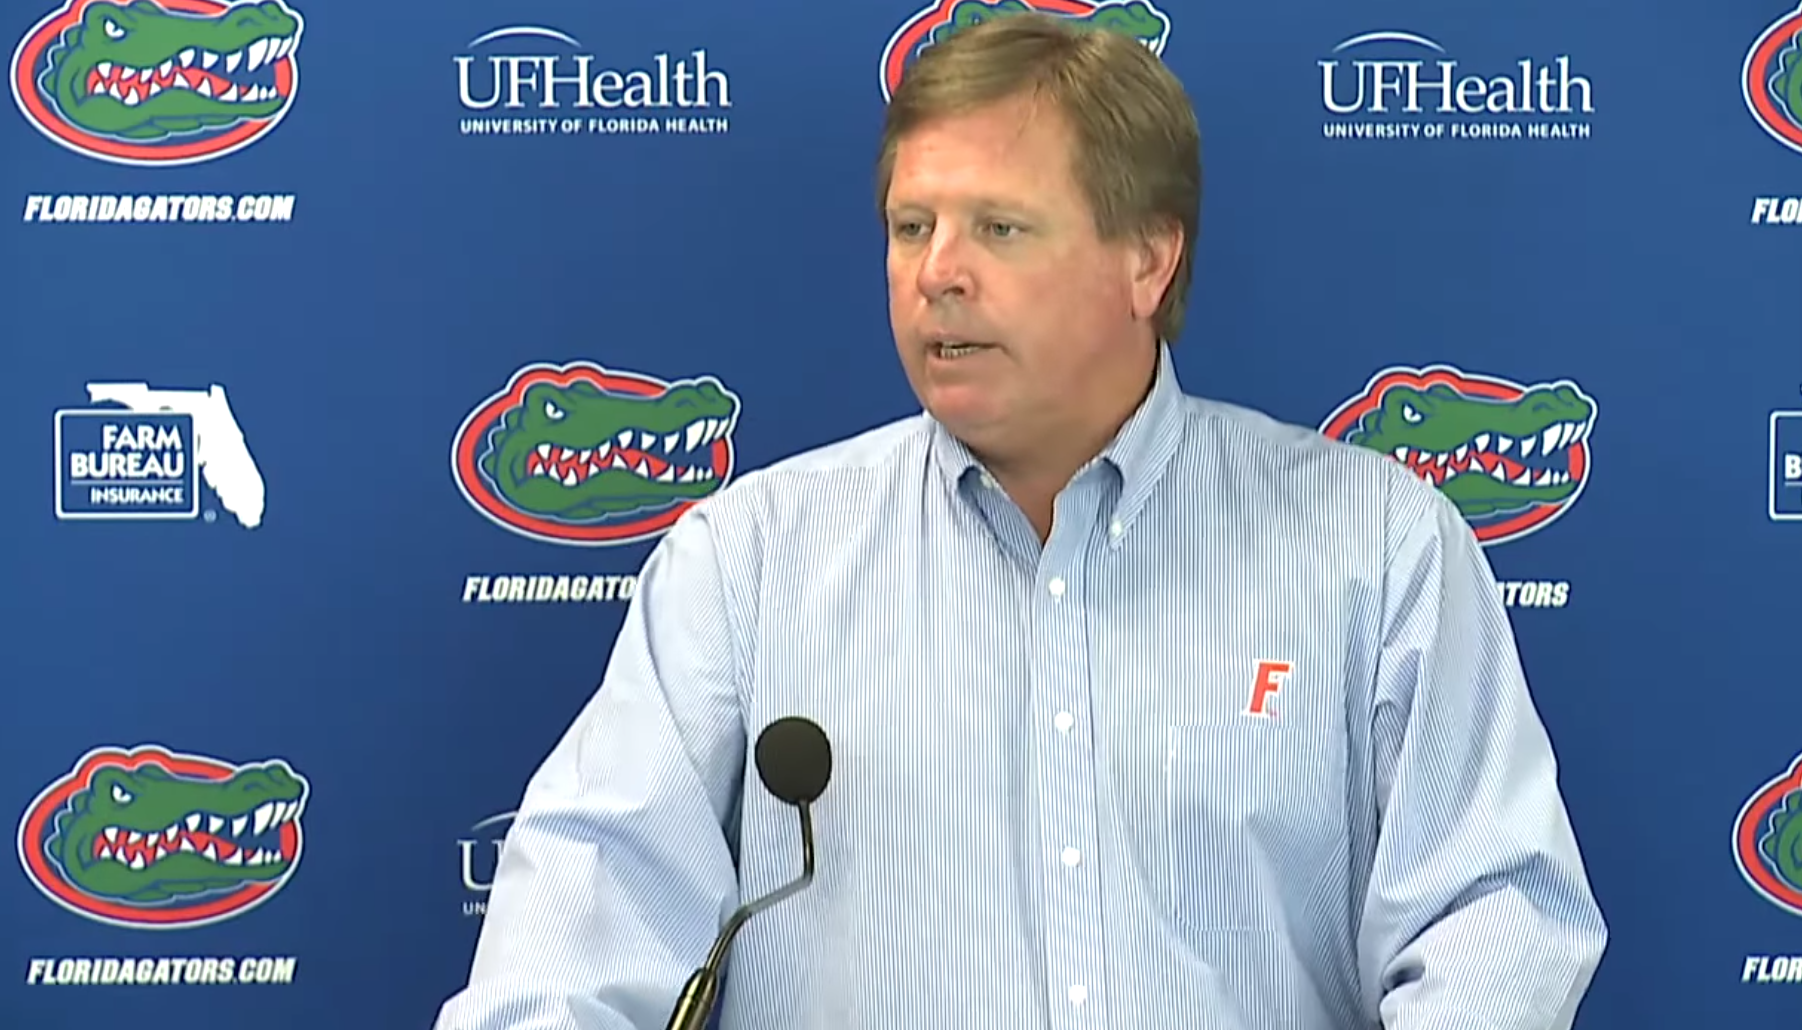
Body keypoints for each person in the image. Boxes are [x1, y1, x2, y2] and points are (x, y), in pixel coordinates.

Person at [434, 12, 1607, 1030]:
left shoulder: (1375, 549)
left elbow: (1493, 924)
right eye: (911, 227)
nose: (936, 273)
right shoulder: (746, 562)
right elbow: (573, 942)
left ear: (1146, 259)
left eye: (998, 227)